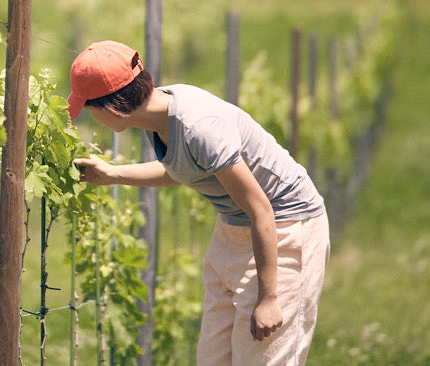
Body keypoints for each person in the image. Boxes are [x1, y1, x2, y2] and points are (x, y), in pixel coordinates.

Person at [67, 40, 330, 365]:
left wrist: (270, 297)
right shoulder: (162, 114)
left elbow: (261, 208)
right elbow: (184, 170)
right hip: (234, 227)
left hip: (284, 229)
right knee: (212, 357)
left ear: (111, 107)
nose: (90, 118)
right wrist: (112, 174)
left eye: (89, 109)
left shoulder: (198, 127)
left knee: (260, 357)